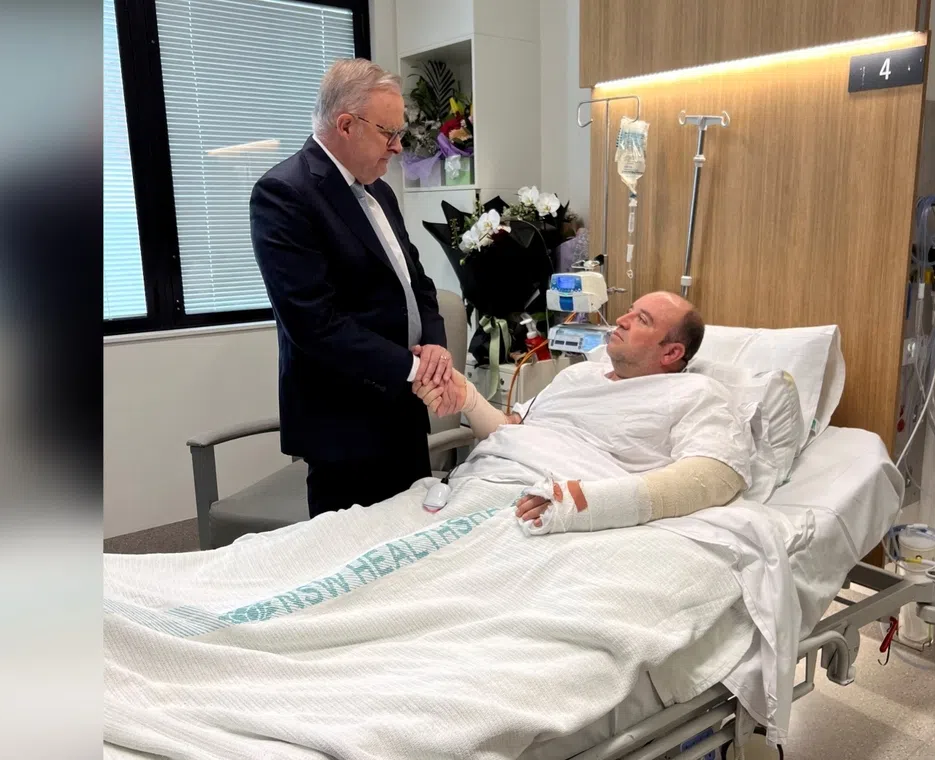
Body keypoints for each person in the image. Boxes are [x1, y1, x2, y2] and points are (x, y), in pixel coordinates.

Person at [251, 58, 455, 518]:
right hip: (345, 425)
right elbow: (313, 323)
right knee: (350, 571)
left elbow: (417, 283)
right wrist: (414, 368)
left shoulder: (378, 191)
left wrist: (436, 349)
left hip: (403, 408)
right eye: (389, 134)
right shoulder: (285, 194)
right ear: (346, 125)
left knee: (413, 547)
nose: (399, 148)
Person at [413, 291, 755, 534]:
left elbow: (712, 477)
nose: (621, 319)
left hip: (549, 508)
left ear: (671, 352)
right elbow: (511, 430)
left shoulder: (695, 393)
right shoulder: (579, 375)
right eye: (630, 310)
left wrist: (584, 503)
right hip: (478, 484)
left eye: (642, 320)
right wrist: (469, 399)